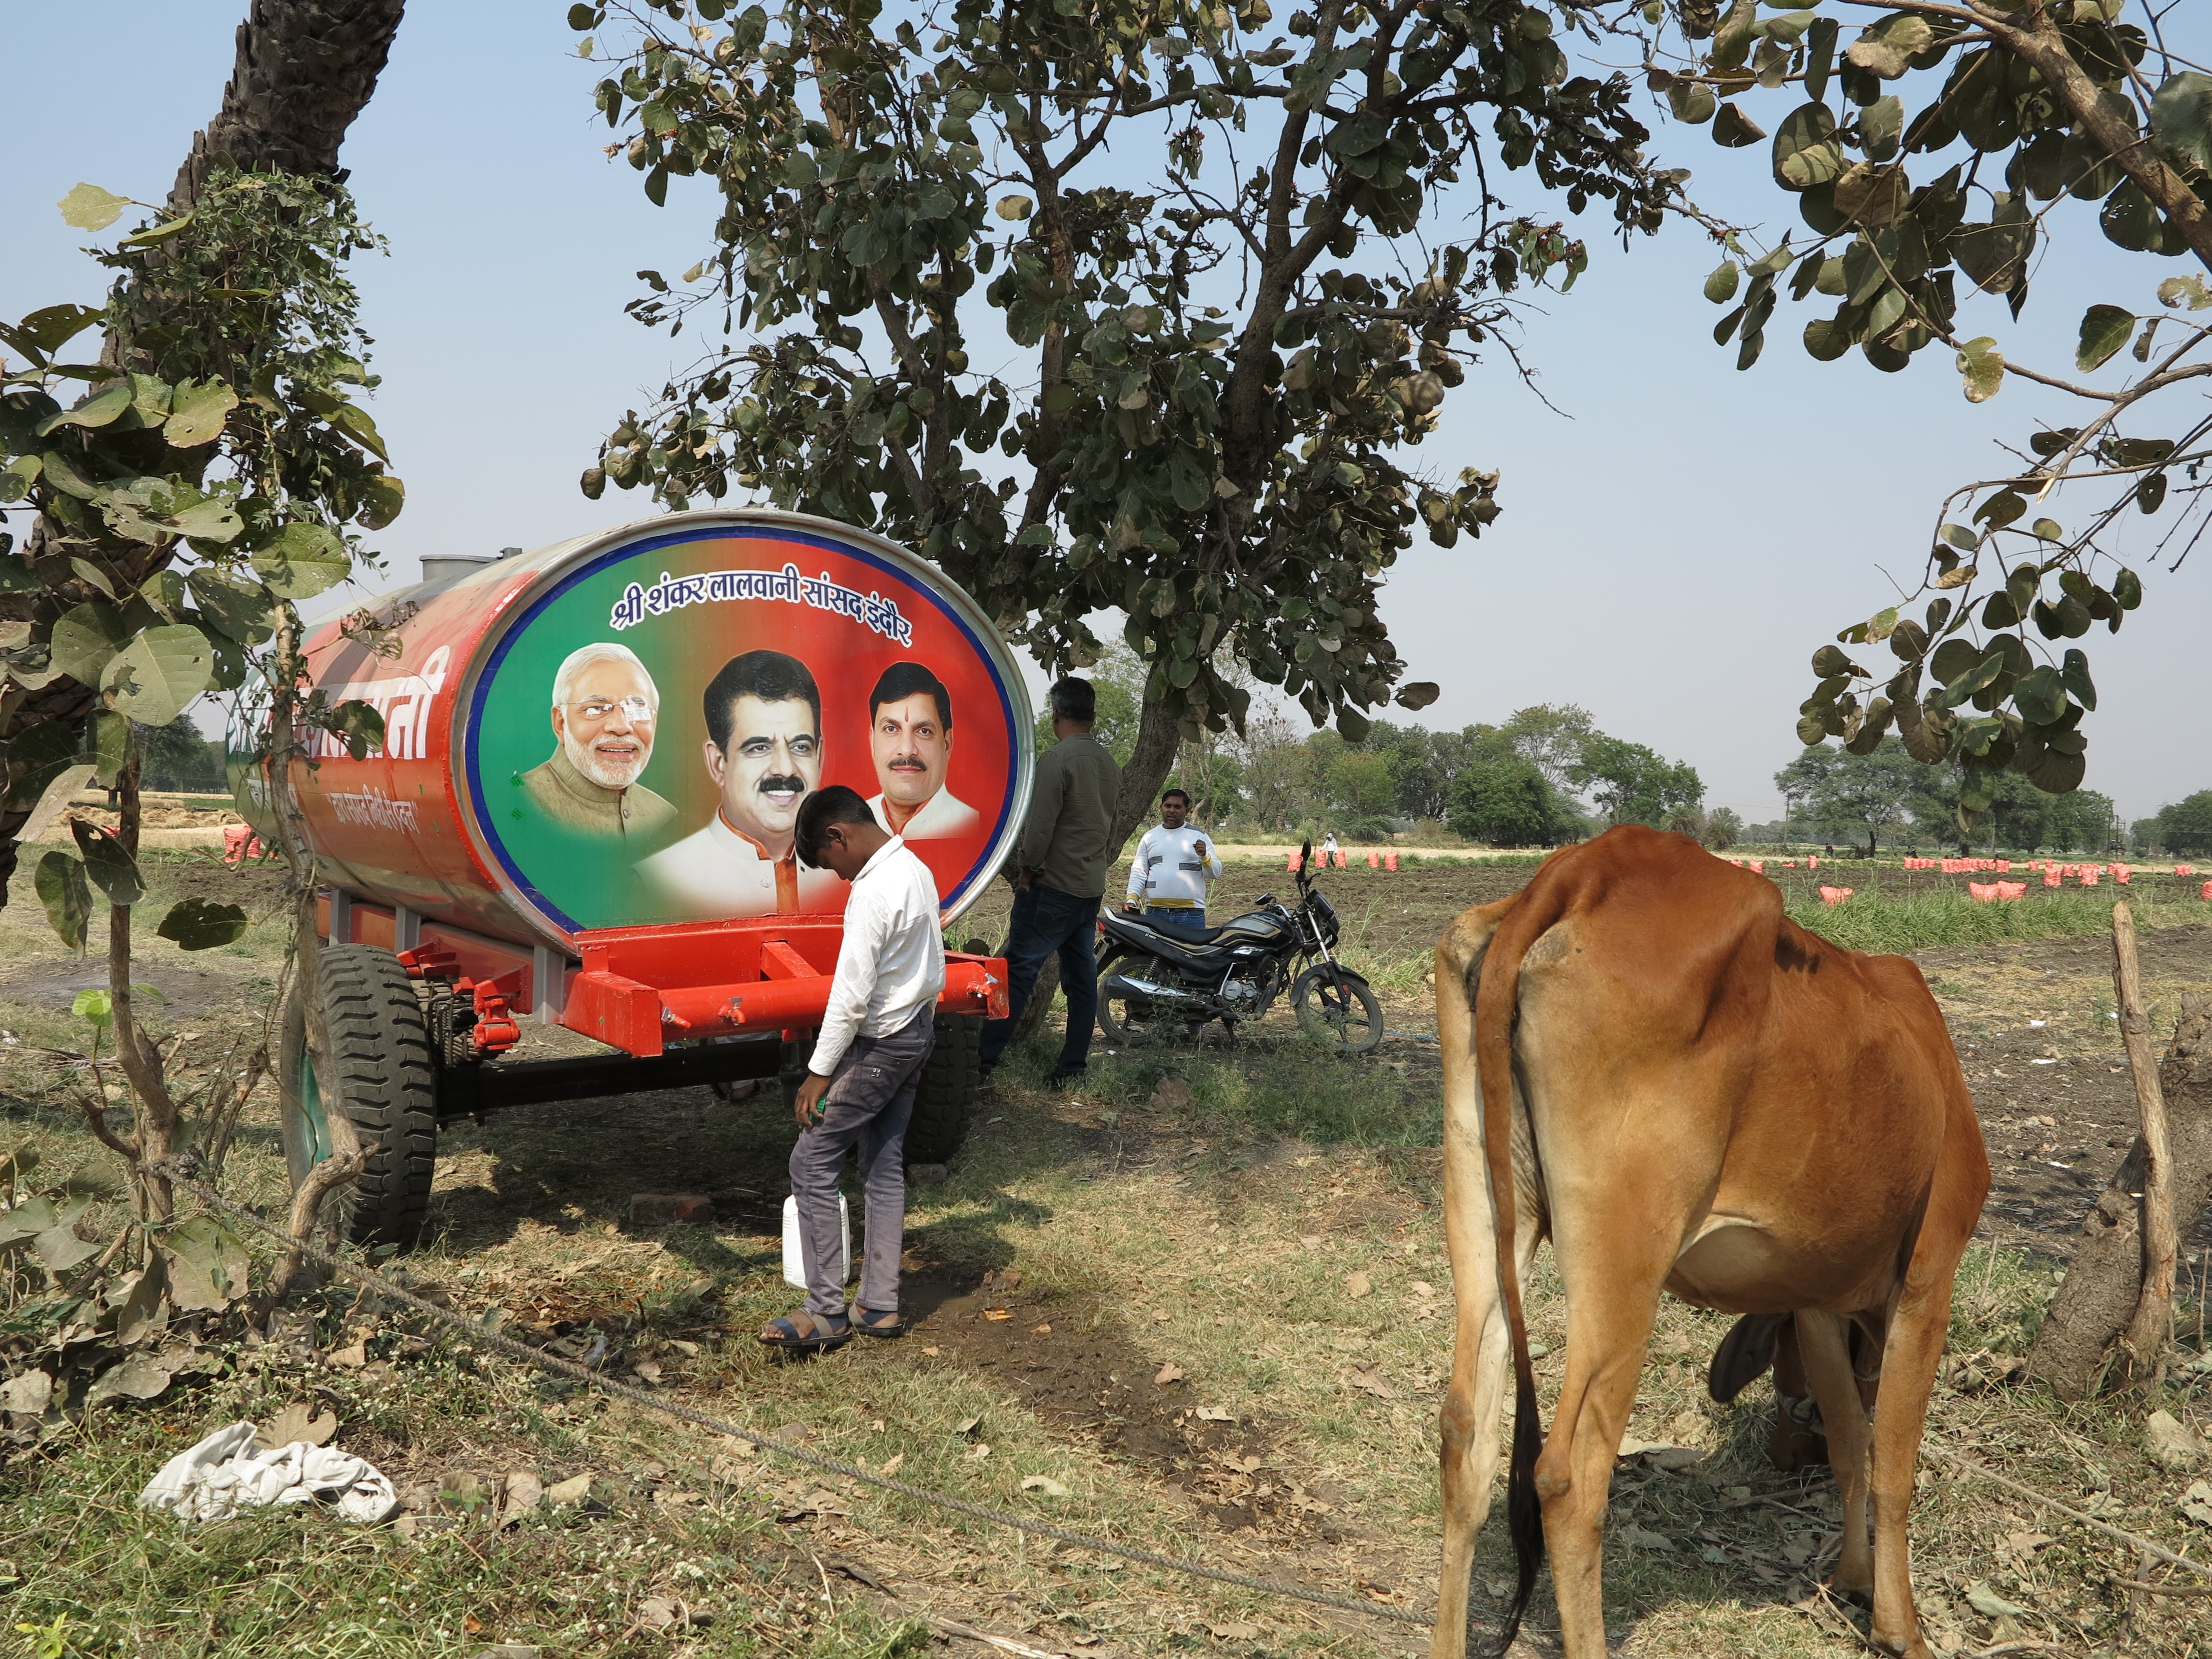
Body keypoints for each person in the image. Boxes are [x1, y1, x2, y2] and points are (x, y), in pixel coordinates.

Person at [759, 786, 944, 1352]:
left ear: (838, 835)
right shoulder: (915, 869)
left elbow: (849, 996)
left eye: (827, 862)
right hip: (915, 1033)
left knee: (810, 1161)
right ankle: (879, 1305)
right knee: (883, 1164)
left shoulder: (872, 891)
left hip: (881, 1046)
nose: (836, 875)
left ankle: (827, 1313)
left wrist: (820, 1071)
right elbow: (932, 965)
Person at [979, 677, 1120, 1086]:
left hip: (1052, 887)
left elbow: (1040, 828)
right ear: (1092, 717)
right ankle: (1073, 1068)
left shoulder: (1057, 760)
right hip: (1088, 888)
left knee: (1017, 973)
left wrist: (1026, 870)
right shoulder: (1108, 764)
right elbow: (1108, 832)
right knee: (1081, 981)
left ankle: (981, 1066)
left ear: (1055, 714)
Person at [636, 649, 841, 917]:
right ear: (718, 763)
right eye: (759, 748)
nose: (785, 768)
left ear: (820, 757)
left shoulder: (860, 874)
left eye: (801, 747)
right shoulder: (655, 882)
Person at [516, 643, 678, 840]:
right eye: (596, 709)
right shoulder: (517, 805)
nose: (620, 726)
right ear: (560, 723)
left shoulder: (663, 817)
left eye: (636, 709)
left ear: (654, 721)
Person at [865, 661, 979, 839]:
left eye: (924, 731)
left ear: (947, 744)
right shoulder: (851, 829)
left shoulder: (970, 826)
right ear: (873, 741)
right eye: (891, 729)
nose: (907, 749)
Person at [1124, 787, 1221, 936]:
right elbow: (1139, 872)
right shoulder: (1150, 837)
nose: (1172, 810)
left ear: (1187, 811)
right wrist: (1132, 899)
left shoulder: (1199, 836)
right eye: (1168, 806)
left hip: (1190, 915)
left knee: (1189, 959)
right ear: (1161, 808)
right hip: (1156, 913)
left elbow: (1215, 873)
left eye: (1177, 807)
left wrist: (1204, 857)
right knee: (1153, 959)